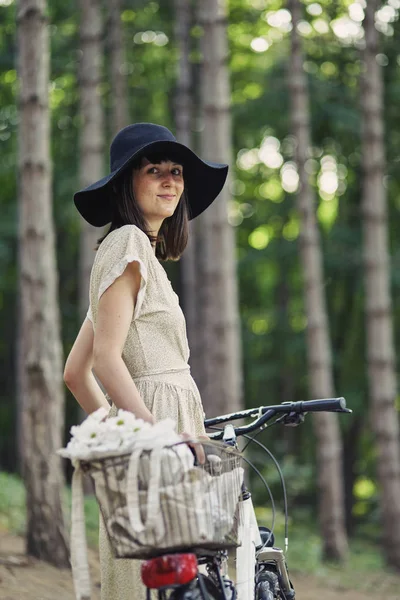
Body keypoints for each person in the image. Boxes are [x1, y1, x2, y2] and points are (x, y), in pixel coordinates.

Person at [63, 122, 228, 599]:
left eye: (176, 172)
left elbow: (76, 372)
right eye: (154, 170)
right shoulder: (129, 243)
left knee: (167, 581)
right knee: (162, 584)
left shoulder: (137, 256)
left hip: (158, 430)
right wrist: (155, 435)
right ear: (125, 184)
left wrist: (122, 436)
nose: (170, 180)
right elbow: (107, 362)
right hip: (160, 429)